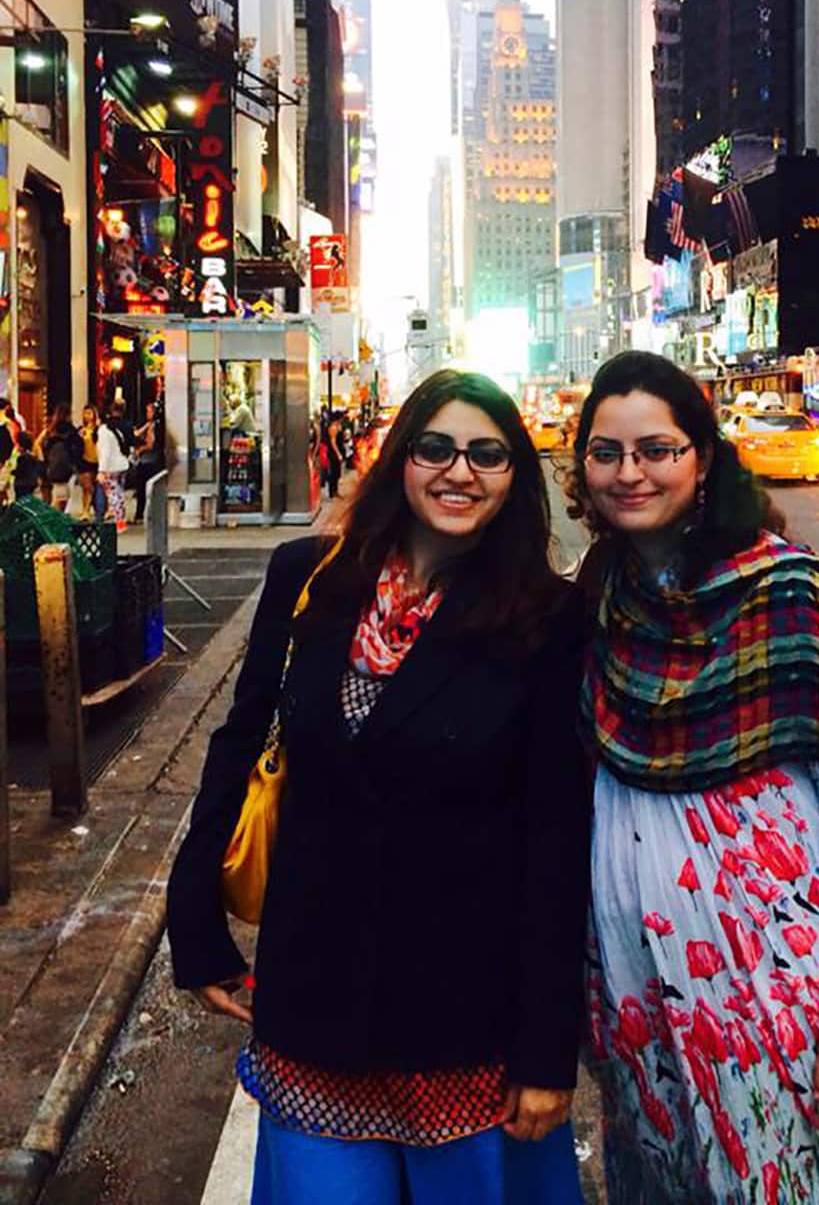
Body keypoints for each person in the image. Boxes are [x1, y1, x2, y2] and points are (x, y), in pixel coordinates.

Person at [167, 369, 591, 1205]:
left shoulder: (545, 617)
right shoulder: (306, 577)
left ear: (515, 478)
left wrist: (548, 1048)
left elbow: (555, 834)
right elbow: (239, 742)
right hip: (313, 992)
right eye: (436, 447)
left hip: (464, 1018)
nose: (458, 472)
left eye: (487, 454)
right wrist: (195, 918)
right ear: (401, 458)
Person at [567, 353, 819, 1204]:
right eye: (607, 453)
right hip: (640, 997)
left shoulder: (786, 588)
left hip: (779, 978)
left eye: (657, 449)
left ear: (703, 458)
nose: (630, 473)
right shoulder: (600, 596)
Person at [36, 404, 83, 512]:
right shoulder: (69, 430)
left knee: (56, 493)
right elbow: (78, 445)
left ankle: (51, 515)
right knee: (62, 495)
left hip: (51, 464)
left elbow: (40, 444)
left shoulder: (51, 430)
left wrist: (43, 457)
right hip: (63, 464)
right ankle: (54, 517)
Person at [129, 400, 165, 523]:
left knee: (143, 489)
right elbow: (136, 433)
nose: (147, 414)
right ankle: (143, 513)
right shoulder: (151, 425)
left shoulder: (154, 427)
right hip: (151, 460)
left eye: (149, 411)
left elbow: (150, 444)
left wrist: (140, 449)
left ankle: (140, 514)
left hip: (149, 461)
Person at [96, 408, 131, 530]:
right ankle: (121, 523)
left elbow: (105, 452)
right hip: (121, 465)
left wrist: (101, 470)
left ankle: (119, 524)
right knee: (119, 495)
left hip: (111, 467)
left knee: (113, 496)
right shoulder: (113, 430)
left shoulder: (103, 432)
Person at [78, 404, 101, 519]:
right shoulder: (81, 430)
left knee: (95, 487)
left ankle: (97, 508)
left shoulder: (98, 429)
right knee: (87, 487)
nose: (87, 416)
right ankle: (85, 510)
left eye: (89, 413)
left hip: (96, 460)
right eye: (85, 413)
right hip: (85, 460)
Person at [12, 433, 43, 500]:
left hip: (22, 485)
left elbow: (20, 471)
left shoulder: (21, 458)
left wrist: (13, 472)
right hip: (31, 483)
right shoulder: (33, 457)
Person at [317, 413, 341, 500]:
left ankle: (335, 491)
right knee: (334, 472)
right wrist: (338, 454)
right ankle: (332, 492)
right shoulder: (333, 428)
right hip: (332, 453)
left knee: (336, 472)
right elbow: (333, 442)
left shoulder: (336, 427)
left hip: (333, 452)